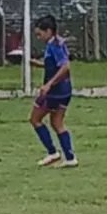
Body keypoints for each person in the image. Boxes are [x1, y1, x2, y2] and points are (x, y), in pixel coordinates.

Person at [30, 15, 77, 168]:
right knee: (57, 123)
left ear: (49, 31)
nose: (38, 38)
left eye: (40, 34)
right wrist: (40, 64)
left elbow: (65, 67)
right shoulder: (58, 42)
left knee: (35, 119)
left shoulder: (54, 45)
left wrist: (49, 84)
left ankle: (52, 152)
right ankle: (70, 158)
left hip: (55, 91)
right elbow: (56, 64)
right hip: (65, 90)